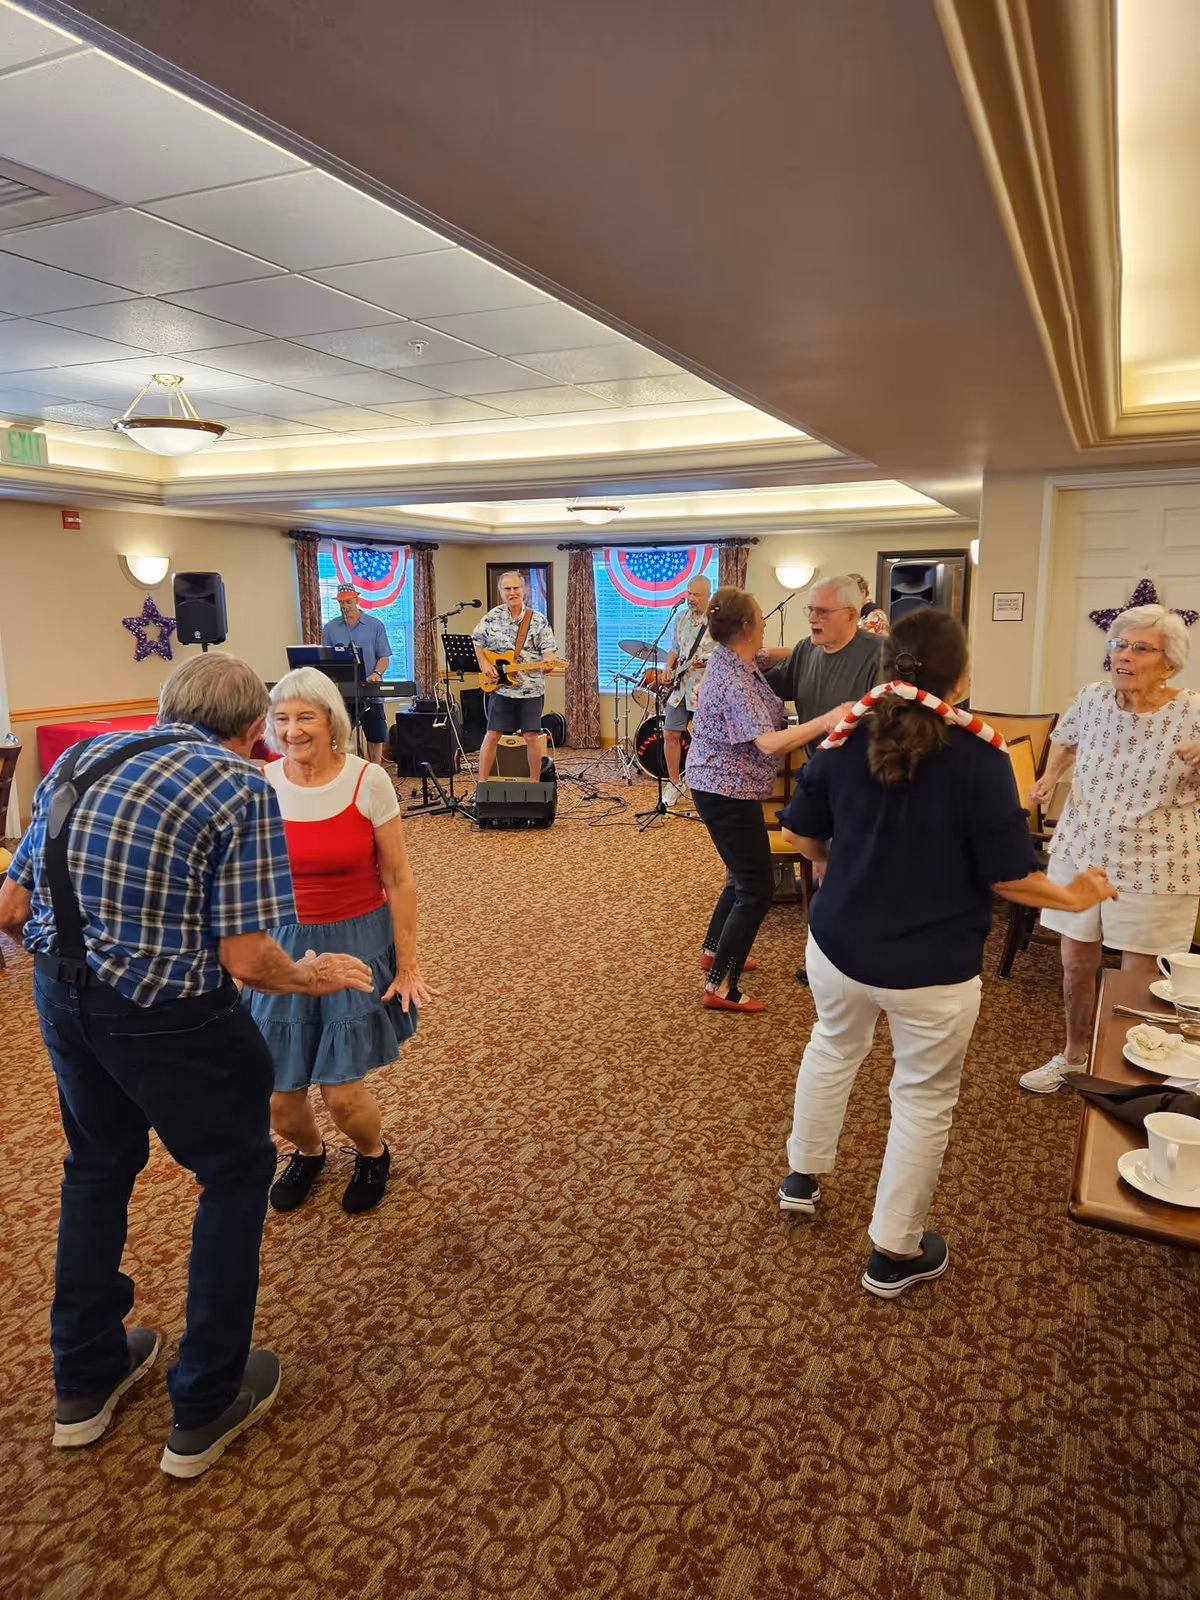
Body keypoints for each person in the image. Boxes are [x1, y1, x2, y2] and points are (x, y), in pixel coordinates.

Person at [0, 654, 373, 1478]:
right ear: (251, 733)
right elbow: (246, 958)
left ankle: (84, 1379)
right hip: (171, 1017)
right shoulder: (240, 785)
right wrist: (306, 975)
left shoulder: (80, 755)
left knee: (94, 1169)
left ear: (166, 707)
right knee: (236, 1174)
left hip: (60, 999)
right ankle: (205, 1401)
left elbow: (13, 905)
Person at [775, 609, 1116, 1297]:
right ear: (961, 678)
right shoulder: (982, 759)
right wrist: (1076, 898)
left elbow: (803, 838)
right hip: (930, 969)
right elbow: (1008, 876)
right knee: (922, 1099)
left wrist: (833, 867)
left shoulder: (841, 739)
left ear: (886, 669)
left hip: (838, 946)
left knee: (832, 1047)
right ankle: (893, 1252)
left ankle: (802, 1179)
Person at [246, 667, 433, 1214]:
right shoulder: (263, 782)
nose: (292, 729)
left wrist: (408, 963)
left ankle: (373, 1153)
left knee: (343, 1095)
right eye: (281, 718)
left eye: (305, 716)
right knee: (280, 1101)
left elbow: (398, 879)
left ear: (332, 721)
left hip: (356, 941)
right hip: (285, 943)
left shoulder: (367, 780)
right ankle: (309, 1152)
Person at [1018, 603, 1200, 1093]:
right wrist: (1050, 777)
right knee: (1076, 961)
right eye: (1119, 644)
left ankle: (1133, 1071)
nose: (1125, 654)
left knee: (1137, 978)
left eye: (1141, 648)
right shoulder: (1093, 697)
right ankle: (1075, 1055)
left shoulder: (1193, 711)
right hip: (1082, 849)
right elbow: (1069, 741)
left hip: (1157, 861)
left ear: (1169, 662)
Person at [685, 586, 850, 1013]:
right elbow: (770, 744)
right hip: (724, 791)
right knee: (755, 887)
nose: (764, 624)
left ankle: (713, 950)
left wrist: (810, 647)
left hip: (720, 785)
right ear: (744, 626)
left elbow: (771, 655)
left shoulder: (735, 658)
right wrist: (828, 720)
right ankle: (719, 986)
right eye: (759, 617)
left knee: (740, 877)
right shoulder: (733, 679)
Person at [764, 575, 886, 753]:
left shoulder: (881, 653)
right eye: (811, 610)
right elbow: (768, 689)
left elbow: (885, 723)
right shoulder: (804, 649)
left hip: (862, 772)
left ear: (851, 614)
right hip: (817, 767)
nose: (812, 619)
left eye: (822, 612)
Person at [472, 570, 559, 781]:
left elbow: (548, 650)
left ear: (524, 590)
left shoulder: (538, 620)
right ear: (501, 592)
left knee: (531, 736)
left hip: (530, 689)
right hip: (500, 687)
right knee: (492, 735)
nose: (512, 593)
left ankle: (534, 785)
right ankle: (481, 786)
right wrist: (484, 663)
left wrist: (547, 663)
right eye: (507, 589)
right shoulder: (491, 617)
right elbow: (476, 641)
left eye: (516, 588)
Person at [321, 582, 391, 765]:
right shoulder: (330, 628)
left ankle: (375, 771)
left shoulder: (375, 625)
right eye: (342, 603)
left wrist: (376, 672)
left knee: (375, 735)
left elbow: (384, 657)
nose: (345, 606)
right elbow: (325, 660)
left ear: (357, 600)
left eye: (349, 602)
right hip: (342, 693)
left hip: (370, 691)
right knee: (337, 736)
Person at [661, 574, 713, 807]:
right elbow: (673, 648)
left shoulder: (717, 620)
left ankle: (708, 785)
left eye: (696, 595)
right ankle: (674, 782)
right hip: (680, 687)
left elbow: (728, 653)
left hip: (705, 688)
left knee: (706, 739)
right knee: (670, 733)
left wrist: (708, 661)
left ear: (708, 595)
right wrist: (667, 668)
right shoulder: (681, 617)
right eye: (689, 593)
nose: (691, 598)